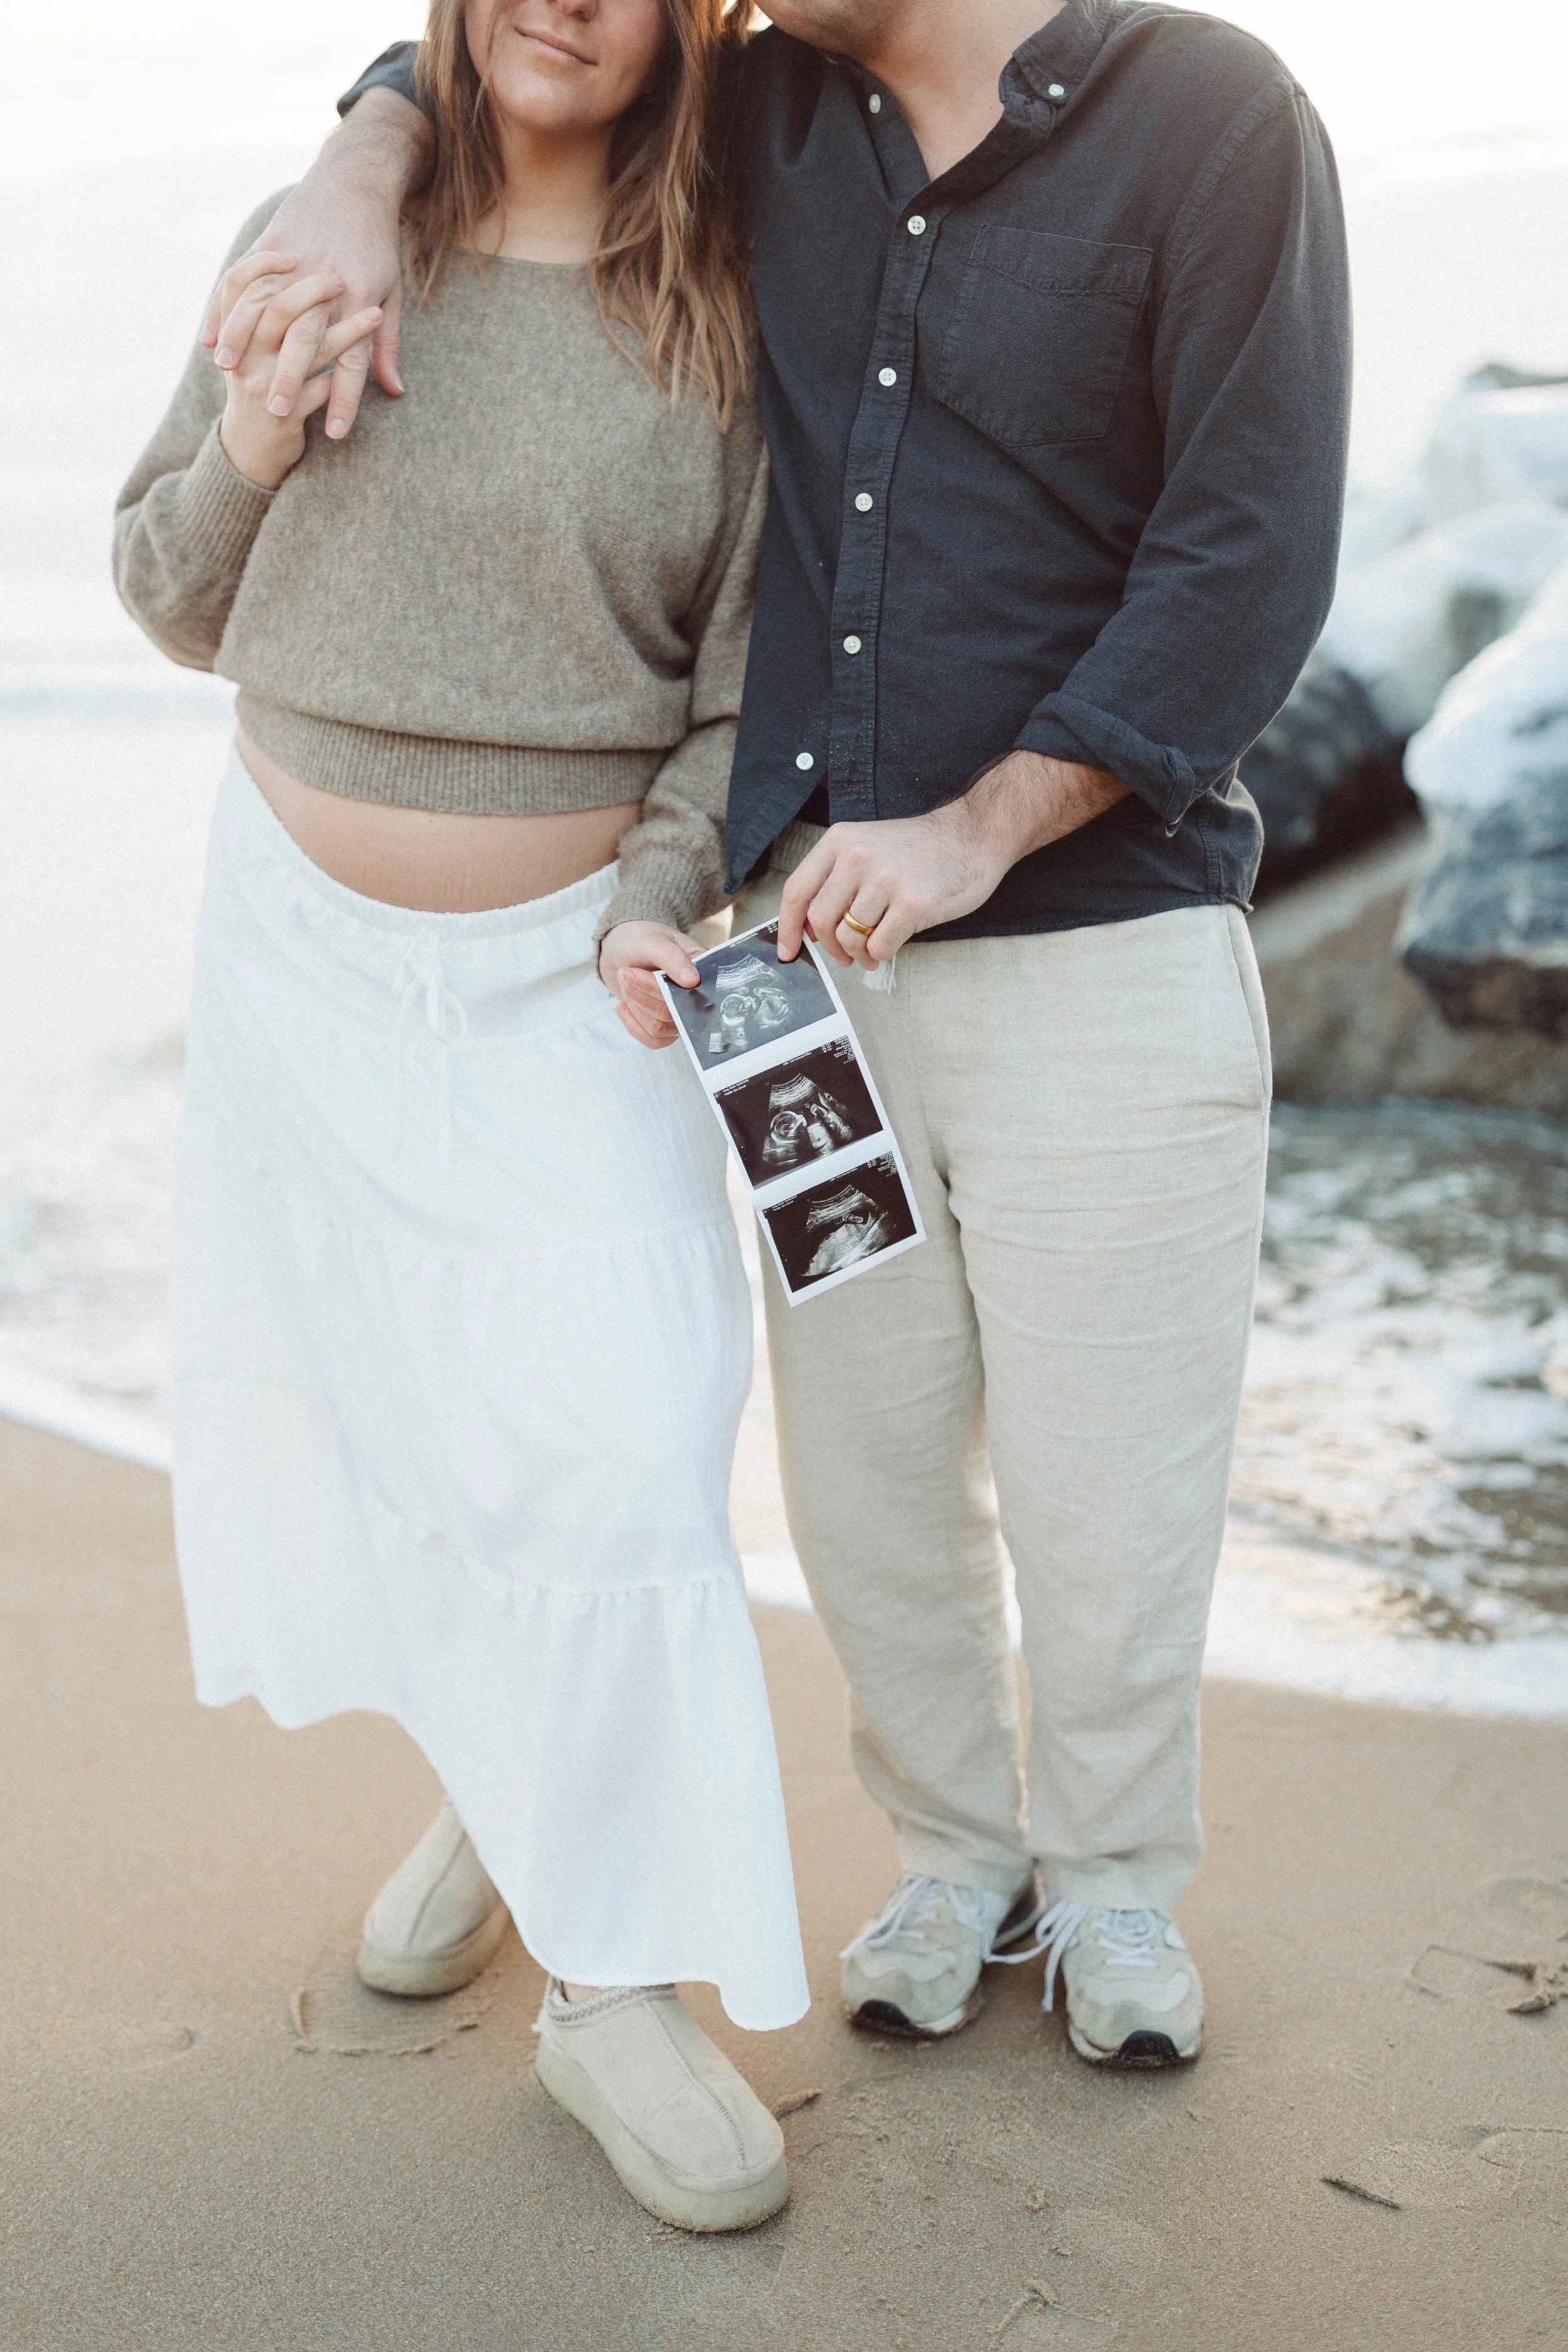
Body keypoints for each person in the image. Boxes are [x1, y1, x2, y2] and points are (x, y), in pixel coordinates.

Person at [204, 0, 1350, 2070]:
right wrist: (354, 182)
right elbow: (477, 59)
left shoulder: (1211, 114)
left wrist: (982, 826)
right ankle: (948, 1855)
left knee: (1115, 1477)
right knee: (866, 1470)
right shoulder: (758, 112)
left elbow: (1247, 549)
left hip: (1105, 947)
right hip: (802, 980)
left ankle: (1106, 1891)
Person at [114, 0, 809, 2234]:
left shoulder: (720, 310)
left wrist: (650, 896)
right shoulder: (317, 233)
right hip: (295, 954)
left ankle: (616, 1983)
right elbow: (162, 588)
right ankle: (522, 1812)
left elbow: (734, 694)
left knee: (619, 1439)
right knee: (394, 1420)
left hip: (569, 982)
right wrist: (247, 432)